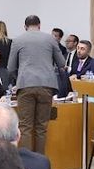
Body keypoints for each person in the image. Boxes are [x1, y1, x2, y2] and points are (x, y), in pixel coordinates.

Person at [8, 15, 65, 154]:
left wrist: (19, 78)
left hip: (25, 85)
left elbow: (10, 67)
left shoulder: (17, 40)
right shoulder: (50, 39)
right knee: (41, 127)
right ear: (39, 25)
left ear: (25, 27)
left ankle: (27, 162)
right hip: (47, 85)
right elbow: (62, 63)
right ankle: (40, 160)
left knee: (25, 127)